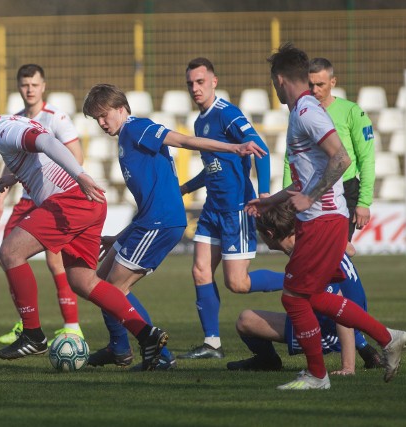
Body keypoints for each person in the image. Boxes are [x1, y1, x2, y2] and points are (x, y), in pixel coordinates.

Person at [0, 96, 169, 371]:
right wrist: (13, 177)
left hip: (70, 200)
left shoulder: (4, 132)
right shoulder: (9, 126)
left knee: (10, 252)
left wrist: (79, 175)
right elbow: (39, 151)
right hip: (87, 204)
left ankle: (33, 334)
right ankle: (147, 335)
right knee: (82, 281)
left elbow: (48, 143)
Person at [245, 42, 406, 390]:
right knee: (313, 295)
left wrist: (310, 197)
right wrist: (271, 202)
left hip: (324, 218)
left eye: (273, 83)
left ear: (279, 79)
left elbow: (341, 159)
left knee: (293, 297)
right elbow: (308, 174)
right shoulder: (302, 112)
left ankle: (317, 375)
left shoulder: (306, 112)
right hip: (321, 219)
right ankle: (387, 336)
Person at [81, 83, 267, 370]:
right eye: (96, 119)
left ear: (121, 109)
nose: (101, 123)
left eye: (104, 115)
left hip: (161, 222)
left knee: (114, 289)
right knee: (100, 282)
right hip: (148, 220)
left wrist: (234, 146)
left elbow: (182, 141)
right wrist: (120, 235)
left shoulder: (136, 127)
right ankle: (119, 347)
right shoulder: (125, 137)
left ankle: (160, 356)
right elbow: (148, 199)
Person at [177, 57, 277, 360]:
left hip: (236, 209)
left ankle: (297, 280)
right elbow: (213, 168)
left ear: (214, 82)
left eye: (200, 82)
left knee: (237, 283)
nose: (195, 88)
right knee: (200, 270)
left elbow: (260, 148)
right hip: (211, 210)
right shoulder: (199, 122)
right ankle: (212, 344)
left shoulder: (227, 114)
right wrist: (184, 188)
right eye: (190, 83)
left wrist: (263, 194)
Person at [227, 201, 382, 374]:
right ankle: (367, 347)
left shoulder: (307, 257)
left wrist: (348, 367)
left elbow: (340, 308)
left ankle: (269, 361)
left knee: (245, 320)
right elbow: (350, 250)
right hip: (355, 317)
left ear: (270, 234)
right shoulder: (314, 236)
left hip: (335, 330)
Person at [0, 64, 85, 346]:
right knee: (8, 255)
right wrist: (0, 198)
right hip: (26, 199)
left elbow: (76, 156)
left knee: (55, 260)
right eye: (24, 85)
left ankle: (72, 326)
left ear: (43, 86)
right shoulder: (15, 119)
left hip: (53, 198)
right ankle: (26, 322)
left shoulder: (56, 117)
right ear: (19, 87)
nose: (29, 89)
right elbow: (10, 161)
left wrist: (62, 189)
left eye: (34, 84)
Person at [283, 57, 375, 256]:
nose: (315, 90)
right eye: (310, 84)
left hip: (344, 190)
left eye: (320, 84)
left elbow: (366, 157)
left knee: (335, 253)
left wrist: (363, 202)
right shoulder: (301, 112)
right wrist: (287, 195)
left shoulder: (352, 112)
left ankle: (341, 287)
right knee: (316, 253)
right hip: (309, 189)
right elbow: (290, 157)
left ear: (333, 82)